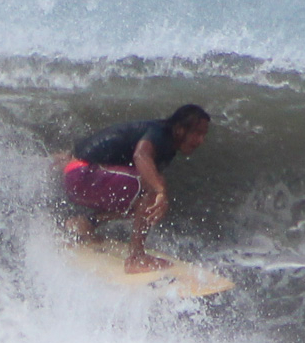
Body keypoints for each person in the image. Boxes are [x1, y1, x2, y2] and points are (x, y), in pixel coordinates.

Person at [61, 104, 211, 273]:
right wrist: (159, 190)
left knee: (145, 205)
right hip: (83, 174)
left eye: (203, 135)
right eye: (197, 134)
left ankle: (87, 223)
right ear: (179, 129)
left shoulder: (164, 141)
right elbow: (141, 155)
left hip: (77, 175)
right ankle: (136, 258)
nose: (201, 141)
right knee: (153, 189)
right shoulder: (160, 134)